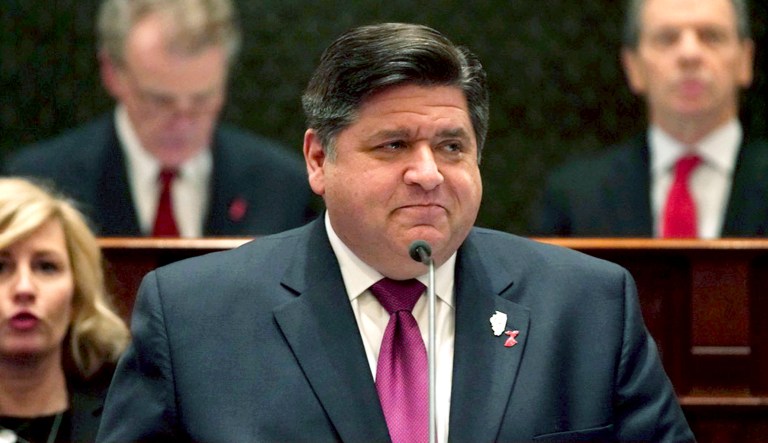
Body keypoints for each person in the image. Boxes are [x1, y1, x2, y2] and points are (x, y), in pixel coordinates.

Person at [96, 23, 694, 442]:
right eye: (394, 145)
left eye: (452, 146)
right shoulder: (193, 317)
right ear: (318, 161)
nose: (429, 173)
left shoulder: (587, 307)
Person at [3, 0, 316, 238]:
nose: (182, 122)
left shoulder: (280, 187)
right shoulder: (40, 182)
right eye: (159, 101)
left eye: (202, 99)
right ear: (112, 73)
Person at [530, 0, 768, 238]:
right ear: (633, 66)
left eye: (711, 36)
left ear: (745, 60)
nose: (689, 54)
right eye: (667, 38)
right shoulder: (575, 196)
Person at [0, 178, 130, 442]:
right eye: (0, 267)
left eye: (46, 266)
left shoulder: (122, 423)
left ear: (77, 295)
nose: (24, 288)